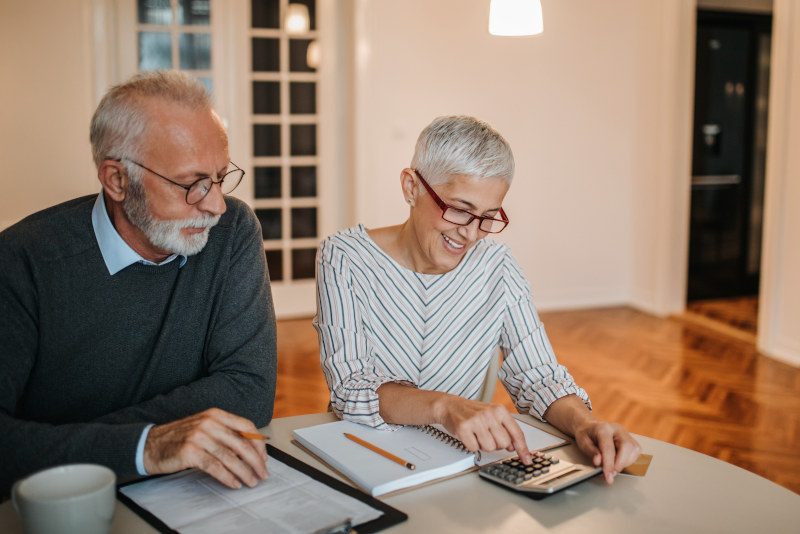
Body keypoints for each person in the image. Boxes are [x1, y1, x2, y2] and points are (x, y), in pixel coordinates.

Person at [314, 116, 640, 483]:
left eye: (487, 217)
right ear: (411, 187)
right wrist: (444, 407)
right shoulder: (344, 257)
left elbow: (538, 376)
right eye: (458, 209)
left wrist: (585, 424)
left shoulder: (496, 266)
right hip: (363, 458)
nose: (470, 233)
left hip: (456, 470)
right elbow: (351, 387)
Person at [0, 70, 277, 495]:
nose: (216, 204)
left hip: (193, 492)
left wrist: (60, 443)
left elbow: (250, 391)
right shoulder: (21, 262)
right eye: (192, 184)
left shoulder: (232, 231)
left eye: (220, 177)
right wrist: (145, 446)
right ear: (117, 180)